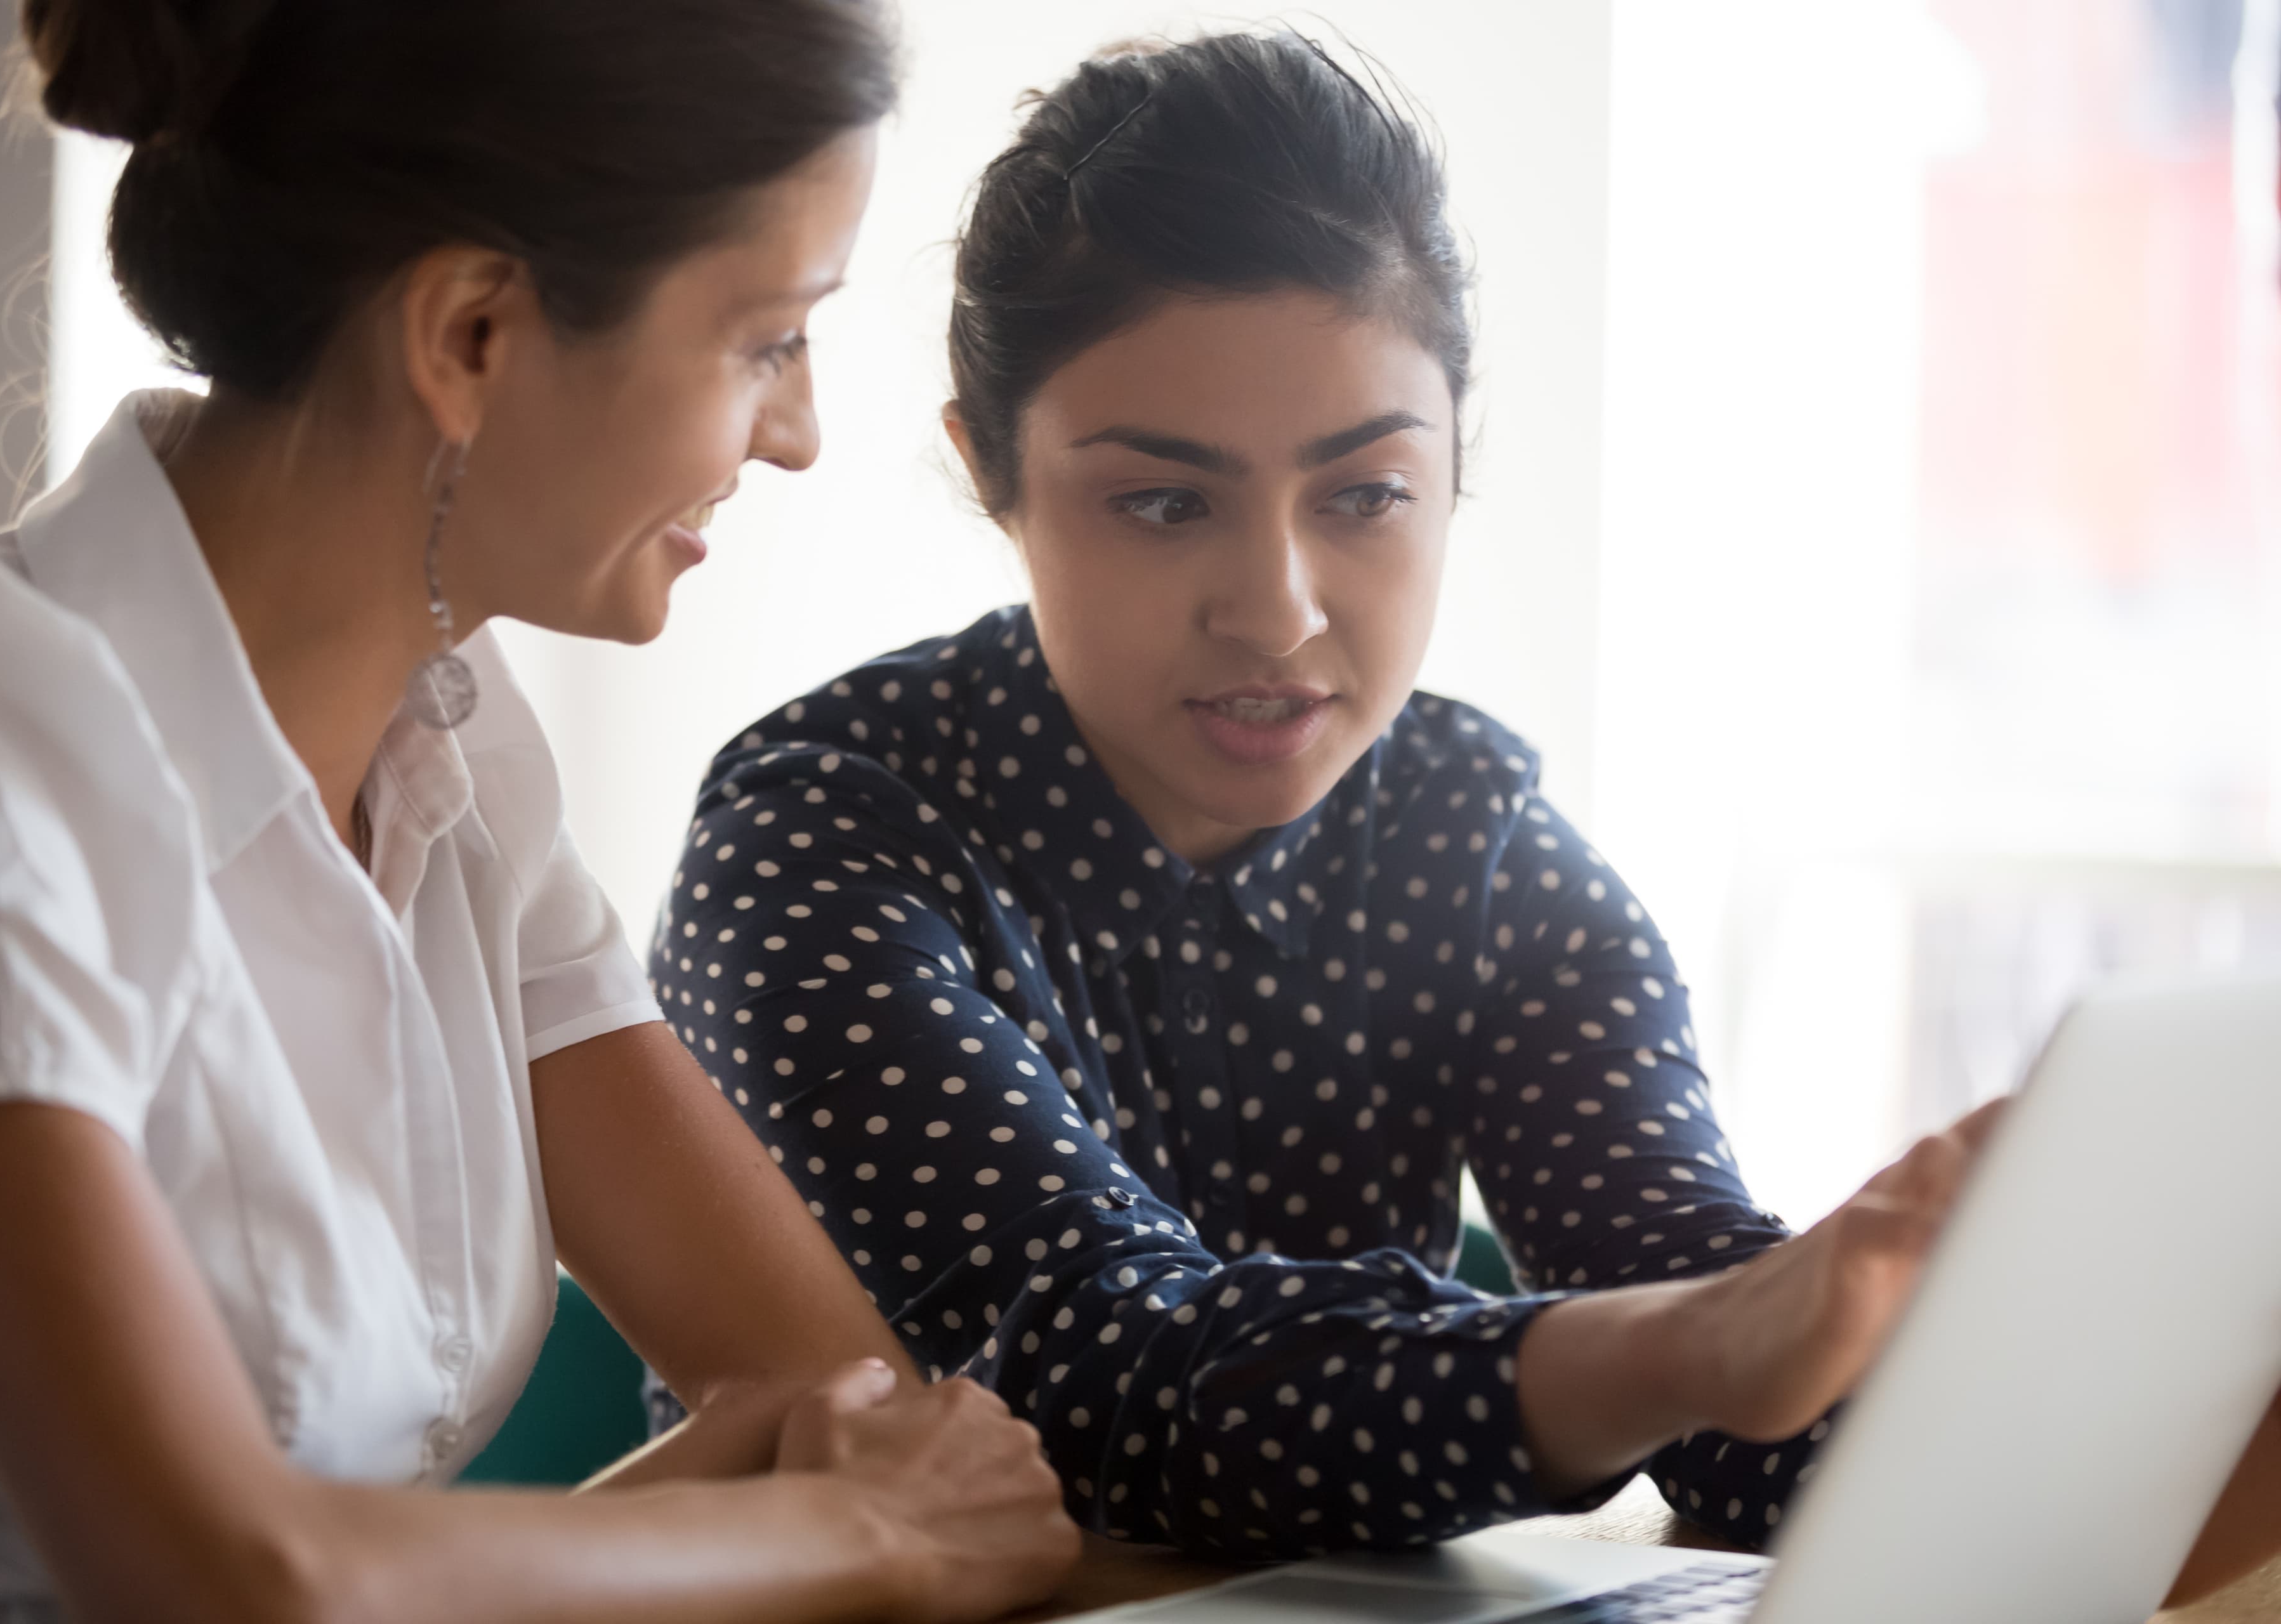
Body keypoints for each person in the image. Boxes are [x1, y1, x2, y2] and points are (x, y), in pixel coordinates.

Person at [654, 27, 2281, 1588]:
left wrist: (2155, 1404)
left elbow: (1737, 1394)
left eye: (1365, 493)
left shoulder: (1478, 843)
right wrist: (1689, 1344)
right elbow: (1096, 1370)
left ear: (1451, 469)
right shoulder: (825, 838)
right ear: (993, 472)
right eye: (1162, 501)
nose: (1278, 608)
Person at [0, 1, 1079, 1620]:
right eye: (766, 338)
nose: (796, 434)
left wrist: (834, 1506)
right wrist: (857, 1536)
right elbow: (219, 1573)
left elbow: (835, 1402)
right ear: (471, 337)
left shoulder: (462, 752)